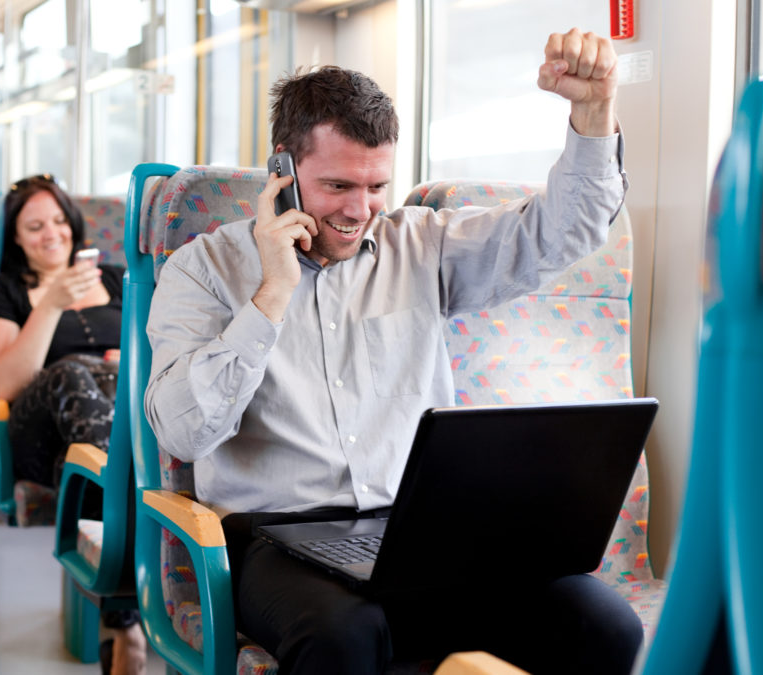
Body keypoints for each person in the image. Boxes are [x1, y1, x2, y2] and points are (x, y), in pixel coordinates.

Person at [144, 29, 640, 675]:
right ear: (282, 170)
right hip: (275, 537)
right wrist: (270, 295)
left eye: (377, 186)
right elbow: (183, 429)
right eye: (338, 186)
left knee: (600, 623)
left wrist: (594, 111)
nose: (361, 209)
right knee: (344, 634)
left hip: (420, 532)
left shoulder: (422, 245)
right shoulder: (203, 269)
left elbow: (564, 231)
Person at [0, 175, 145, 675]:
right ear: (15, 237)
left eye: (58, 221)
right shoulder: (8, 291)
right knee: (73, 372)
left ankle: (125, 627)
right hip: (41, 427)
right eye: (34, 226)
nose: (51, 234)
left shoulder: (119, 279)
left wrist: (130, 364)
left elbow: (161, 357)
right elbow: (4, 386)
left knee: (97, 448)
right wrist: (51, 302)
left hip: (111, 430)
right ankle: (130, 616)